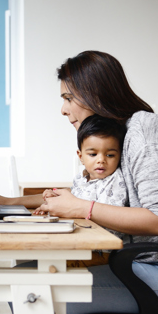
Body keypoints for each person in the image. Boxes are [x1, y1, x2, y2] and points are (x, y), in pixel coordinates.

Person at [0, 50, 158, 314]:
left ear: (96, 93)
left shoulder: (145, 131)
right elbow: (84, 194)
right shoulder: (118, 134)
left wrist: (83, 208)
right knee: (20, 278)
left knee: (32, 292)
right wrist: (8, 201)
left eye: (68, 98)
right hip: (135, 265)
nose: (63, 109)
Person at [43, 114, 127, 267]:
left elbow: (112, 218)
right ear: (81, 156)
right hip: (81, 242)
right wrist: (53, 198)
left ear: (119, 156)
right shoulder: (81, 180)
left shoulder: (116, 181)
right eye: (93, 154)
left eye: (110, 155)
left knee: (56, 265)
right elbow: (70, 204)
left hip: (103, 252)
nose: (101, 159)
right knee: (46, 256)